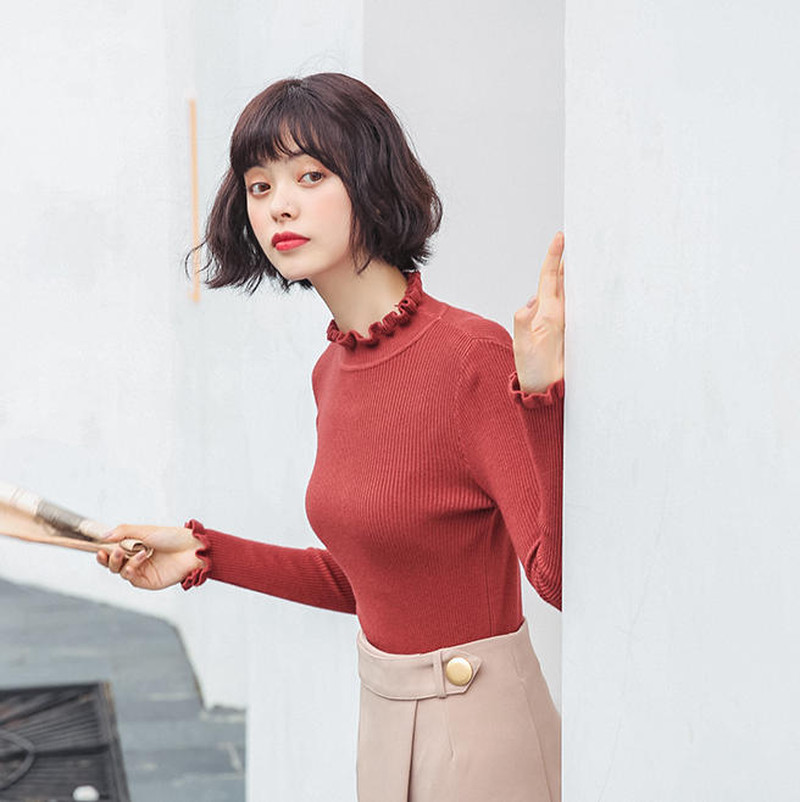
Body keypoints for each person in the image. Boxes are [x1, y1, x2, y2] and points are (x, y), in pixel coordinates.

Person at [98, 72, 566, 801]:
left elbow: (557, 579)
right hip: (382, 720)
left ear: (371, 181)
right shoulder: (332, 372)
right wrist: (204, 554)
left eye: (310, 176)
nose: (278, 203)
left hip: (482, 734)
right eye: (259, 186)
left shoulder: (473, 358)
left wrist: (540, 399)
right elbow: (369, 580)